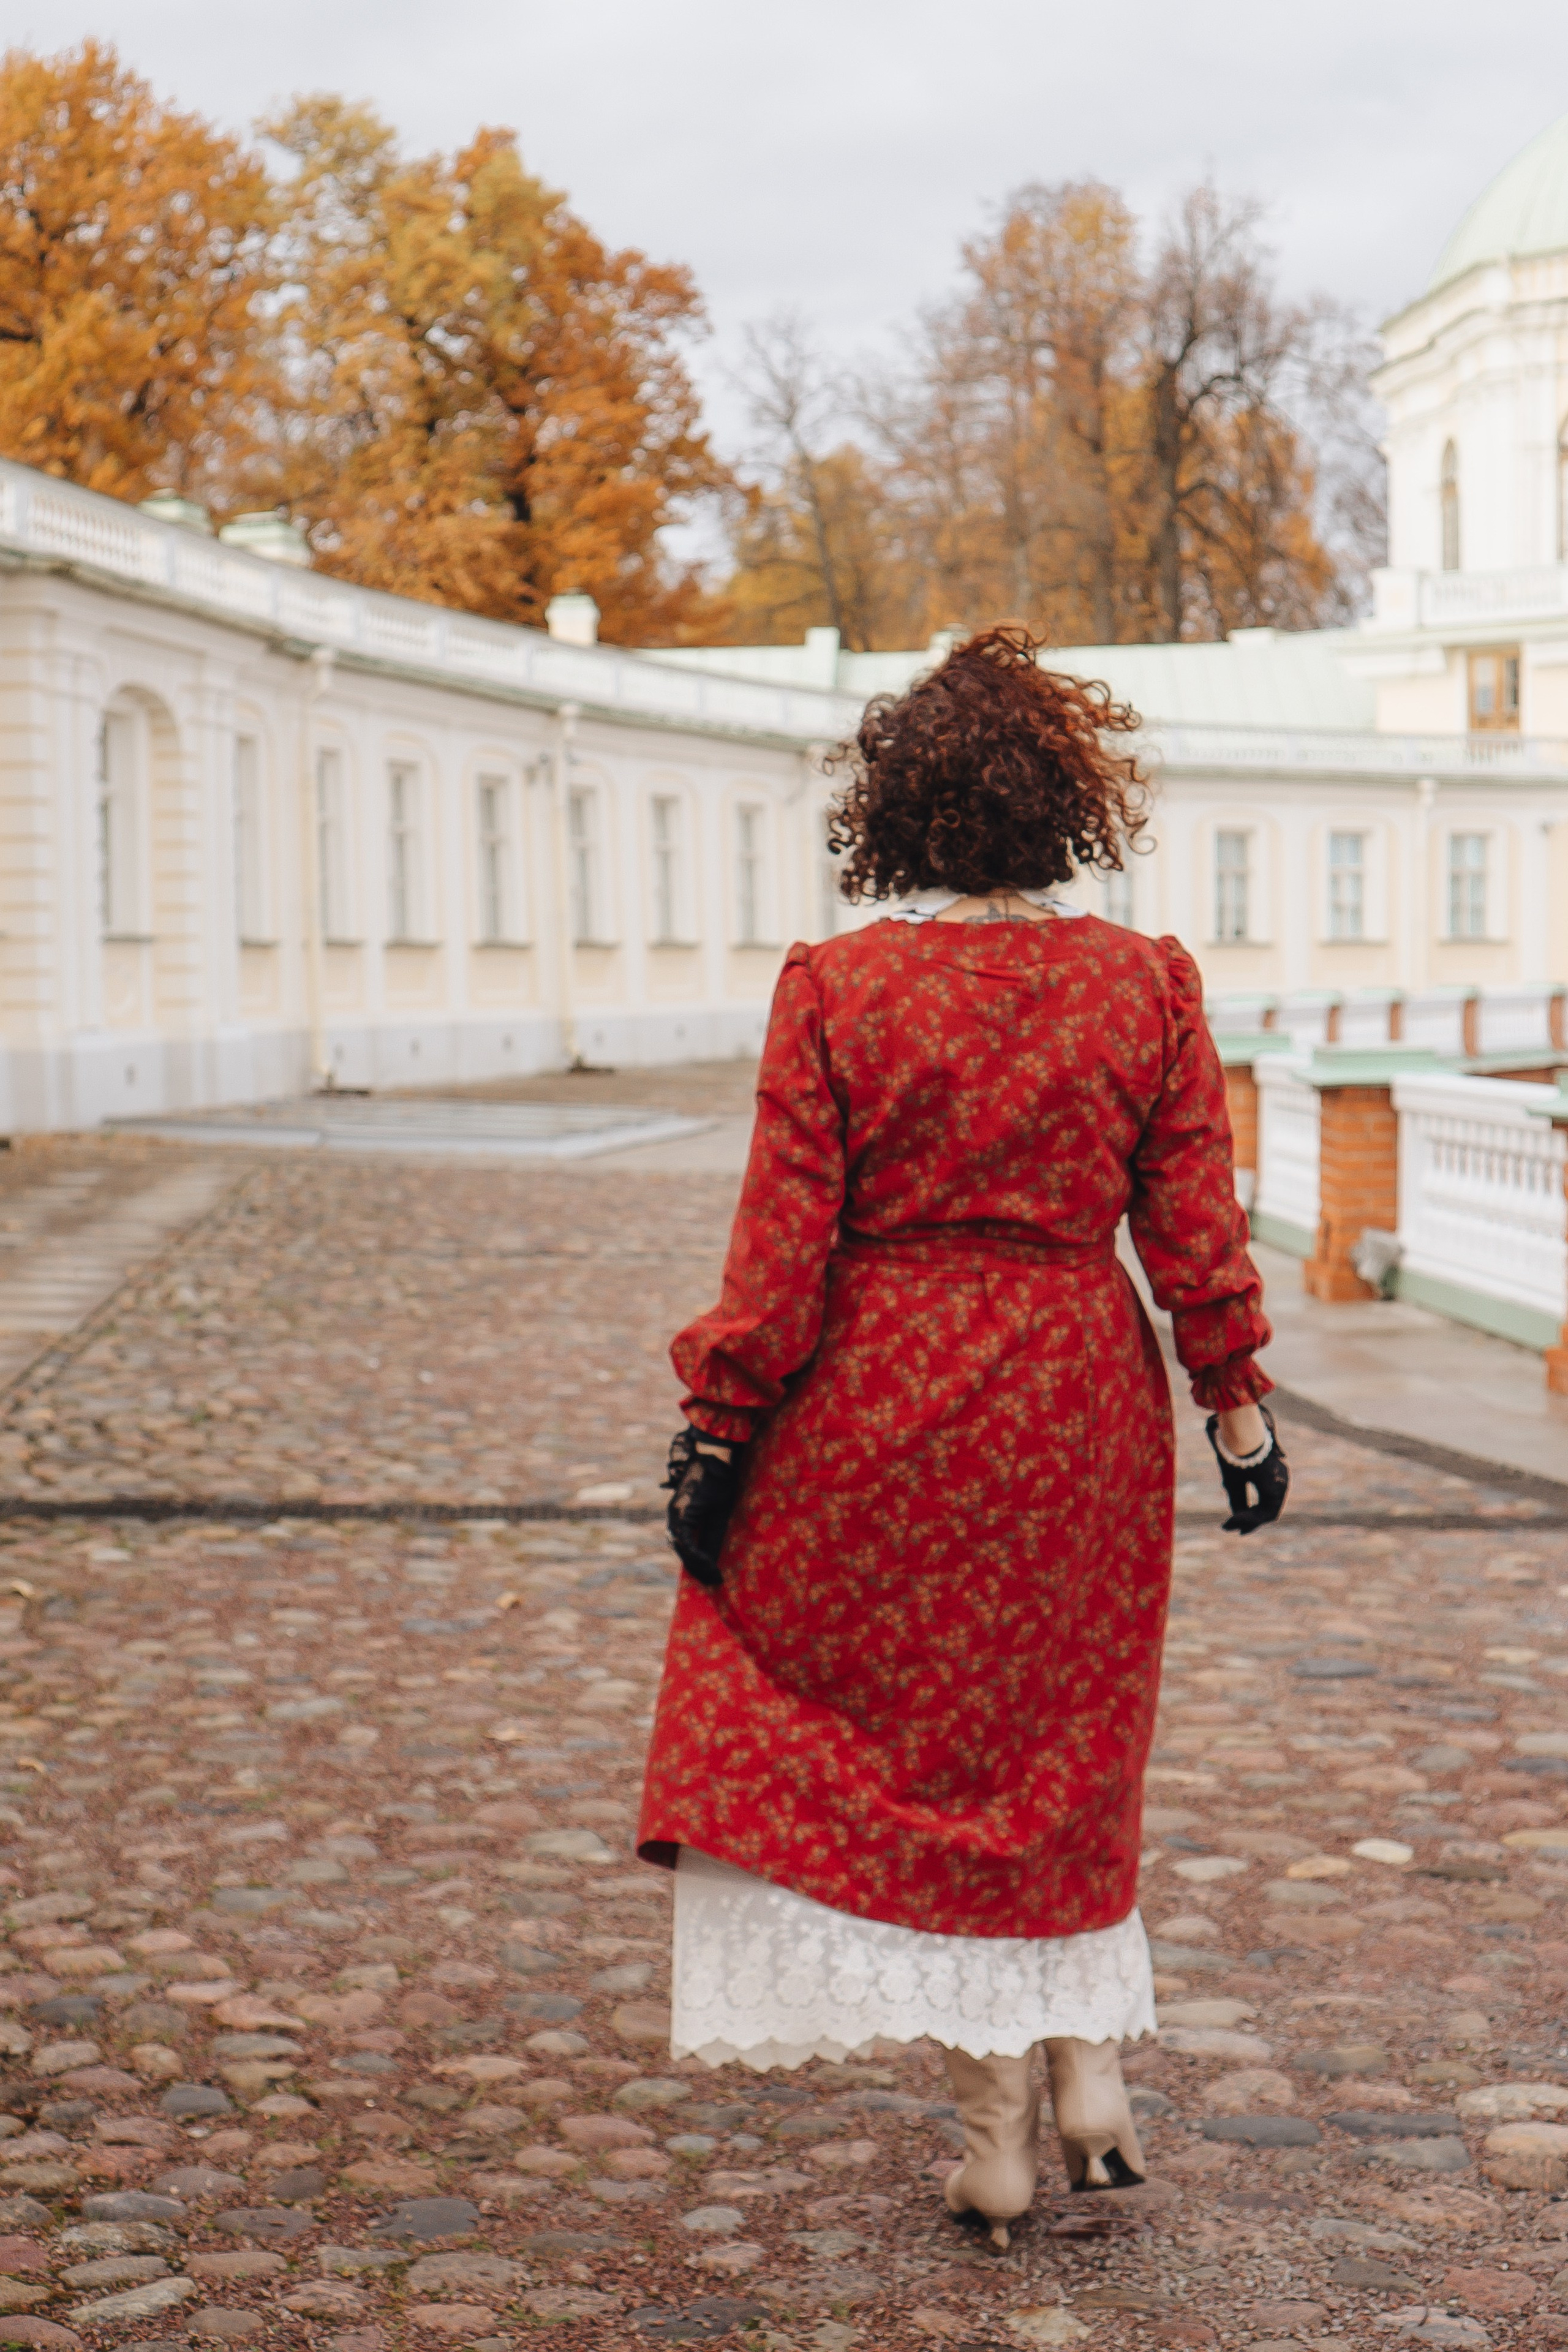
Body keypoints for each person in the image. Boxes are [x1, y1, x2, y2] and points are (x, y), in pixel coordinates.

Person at [636, 625, 1286, 2246]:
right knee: (1065, 1746)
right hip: (1077, 1397)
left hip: (881, 1397)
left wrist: (719, 1430)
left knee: (908, 1744)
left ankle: (998, 2141)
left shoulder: (838, 988)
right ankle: (1087, 2079)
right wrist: (1237, 1405)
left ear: (896, 811)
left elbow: (781, 1245)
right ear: (1069, 806)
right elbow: (1193, 1221)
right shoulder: (1145, 984)